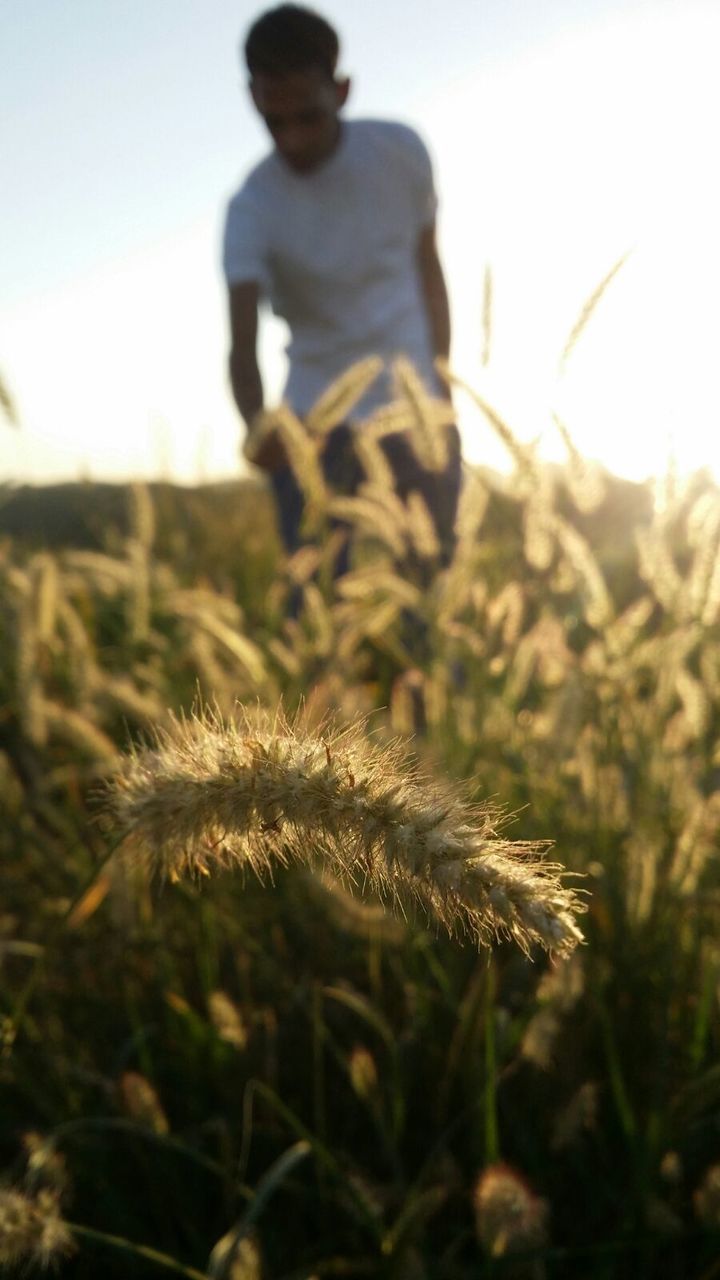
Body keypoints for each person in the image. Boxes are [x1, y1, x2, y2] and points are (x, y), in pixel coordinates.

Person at [222, 3, 461, 567]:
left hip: (416, 412)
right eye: (275, 122)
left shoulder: (400, 153)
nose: (293, 140)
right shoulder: (251, 209)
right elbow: (240, 342)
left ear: (342, 90)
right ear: (253, 98)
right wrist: (260, 429)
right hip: (312, 430)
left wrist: (443, 382)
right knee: (316, 610)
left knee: (431, 600)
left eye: (308, 116)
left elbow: (429, 269)